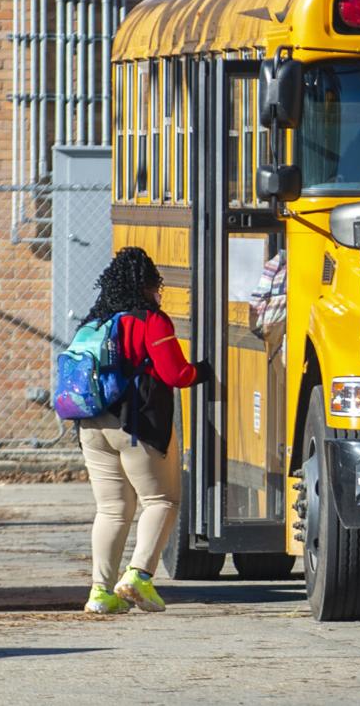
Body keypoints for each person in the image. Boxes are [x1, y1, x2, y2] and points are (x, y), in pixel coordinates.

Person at [77, 247, 211, 615]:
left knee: (112, 509)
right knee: (162, 501)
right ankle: (139, 576)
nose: (159, 293)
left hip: (91, 426)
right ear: (148, 285)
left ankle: (100, 593)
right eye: (157, 286)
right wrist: (206, 371)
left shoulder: (93, 322)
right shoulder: (150, 320)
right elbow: (175, 374)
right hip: (135, 426)